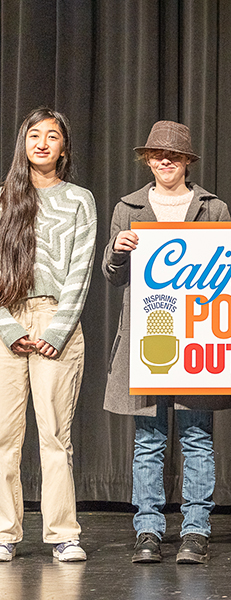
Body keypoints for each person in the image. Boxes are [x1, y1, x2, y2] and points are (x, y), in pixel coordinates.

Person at [102, 121, 231, 564]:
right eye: (157, 155)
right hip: (148, 337)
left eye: (174, 156)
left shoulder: (213, 208)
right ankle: (149, 530)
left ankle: (196, 530)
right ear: (147, 160)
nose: (165, 161)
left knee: (197, 437)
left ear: (187, 162)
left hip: (198, 337)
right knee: (149, 439)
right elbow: (113, 275)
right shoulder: (129, 206)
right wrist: (118, 248)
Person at [0, 108, 97, 562]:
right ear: (23, 143)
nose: (42, 143)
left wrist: (56, 333)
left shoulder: (80, 199)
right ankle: (5, 530)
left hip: (57, 319)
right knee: (4, 434)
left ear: (64, 147)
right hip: (7, 323)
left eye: (52, 136)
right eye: (33, 135)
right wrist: (8, 328)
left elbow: (80, 273)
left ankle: (62, 533)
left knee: (55, 434)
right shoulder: (4, 199)